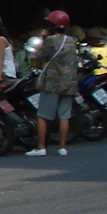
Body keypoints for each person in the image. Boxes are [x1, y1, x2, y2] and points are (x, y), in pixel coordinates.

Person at [29, 10, 78, 157]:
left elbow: (40, 57)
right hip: (69, 82)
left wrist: (43, 39)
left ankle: (41, 147)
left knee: (43, 115)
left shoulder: (51, 40)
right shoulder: (71, 40)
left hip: (52, 83)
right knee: (64, 115)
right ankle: (62, 147)